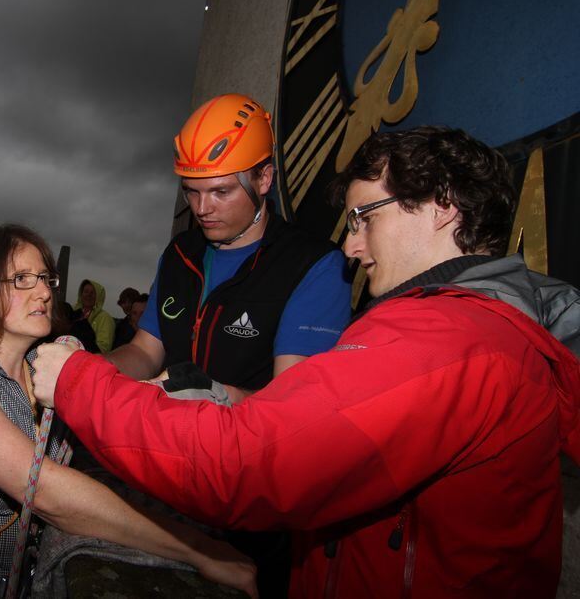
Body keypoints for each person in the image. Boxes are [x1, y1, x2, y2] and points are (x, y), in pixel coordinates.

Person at [32, 128, 580, 597]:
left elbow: (248, 466)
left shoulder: (448, 340)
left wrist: (78, 381)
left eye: (364, 217)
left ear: (440, 207)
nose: (350, 246)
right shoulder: (466, 329)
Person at [0, 224, 256, 598]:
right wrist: (199, 551)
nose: (46, 291)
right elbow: (44, 491)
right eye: (22, 279)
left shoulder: (43, 371)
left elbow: (123, 407)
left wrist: (221, 400)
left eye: (46, 278)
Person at [109, 94, 351, 399]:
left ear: (263, 179)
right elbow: (145, 352)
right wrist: (92, 369)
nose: (202, 208)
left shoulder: (313, 265)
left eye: (220, 191)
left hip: (246, 443)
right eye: (191, 192)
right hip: (164, 435)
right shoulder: (180, 254)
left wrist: (219, 398)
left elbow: (293, 402)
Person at [70, 278, 114, 354]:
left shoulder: (105, 318)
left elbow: (104, 347)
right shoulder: (71, 311)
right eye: (86, 291)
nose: (88, 295)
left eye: (93, 293)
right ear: (81, 294)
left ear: (98, 297)